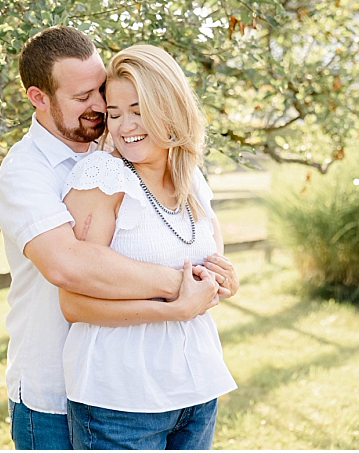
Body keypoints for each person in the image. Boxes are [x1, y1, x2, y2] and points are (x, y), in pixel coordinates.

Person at [0, 27, 235, 450]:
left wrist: (217, 280)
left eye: (101, 90)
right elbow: (69, 266)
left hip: (169, 386)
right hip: (53, 392)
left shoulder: (120, 154)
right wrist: (183, 288)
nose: (101, 107)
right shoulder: (25, 173)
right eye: (83, 96)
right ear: (39, 98)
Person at [60, 44, 238, 449]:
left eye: (138, 110)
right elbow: (73, 304)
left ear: (169, 107)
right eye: (115, 114)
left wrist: (223, 281)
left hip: (195, 389)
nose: (125, 127)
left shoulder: (192, 179)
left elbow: (210, 265)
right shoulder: (103, 176)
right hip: (120, 399)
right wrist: (173, 309)